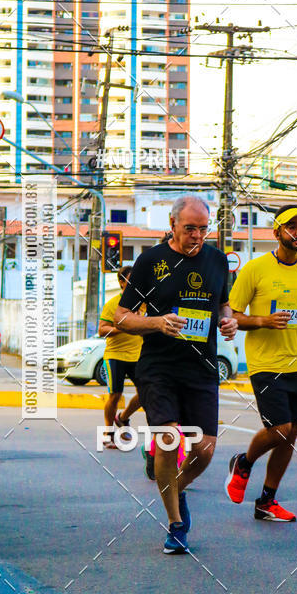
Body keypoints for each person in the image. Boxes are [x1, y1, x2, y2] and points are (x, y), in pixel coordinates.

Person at [114, 196, 237, 554]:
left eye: (203, 228)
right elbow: (121, 316)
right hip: (159, 366)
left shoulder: (217, 260)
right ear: (172, 225)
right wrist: (155, 322)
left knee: (204, 449)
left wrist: (228, 320)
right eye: (189, 229)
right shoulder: (151, 261)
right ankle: (176, 522)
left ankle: (174, 486)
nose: (197, 235)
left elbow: (222, 302)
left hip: (201, 367)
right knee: (169, 440)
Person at [226, 205, 297, 522]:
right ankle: (243, 461)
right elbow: (233, 315)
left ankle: (267, 500)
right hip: (266, 363)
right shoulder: (255, 269)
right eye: (291, 226)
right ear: (276, 233)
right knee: (280, 428)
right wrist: (263, 320)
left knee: (292, 432)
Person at [98, 266, 143, 452]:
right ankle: (108, 434)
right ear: (122, 282)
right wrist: (122, 328)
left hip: (138, 355)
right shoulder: (113, 304)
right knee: (115, 394)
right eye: (131, 280)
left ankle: (123, 418)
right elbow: (102, 330)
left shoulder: (144, 303)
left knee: (146, 392)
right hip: (115, 355)